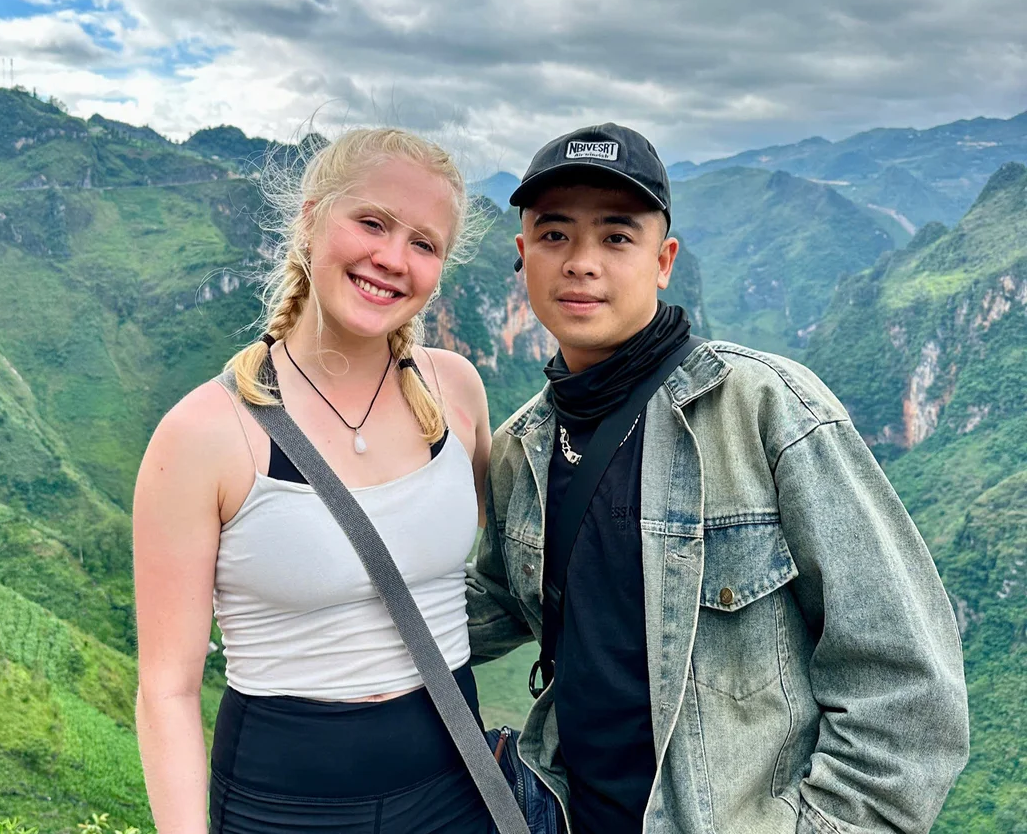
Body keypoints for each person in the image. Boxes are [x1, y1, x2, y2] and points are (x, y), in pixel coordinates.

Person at [466, 123, 969, 834]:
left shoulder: (772, 413)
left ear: (664, 259)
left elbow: (909, 689)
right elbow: (493, 596)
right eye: (554, 236)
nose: (581, 262)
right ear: (522, 256)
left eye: (616, 237)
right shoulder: (522, 447)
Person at [133, 128, 495, 834]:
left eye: (424, 243)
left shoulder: (456, 393)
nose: (391, 258)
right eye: (371, 222)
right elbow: (167, 690)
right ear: (309, 218)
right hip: (286, 807)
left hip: (460, 787)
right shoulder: (209, 434)